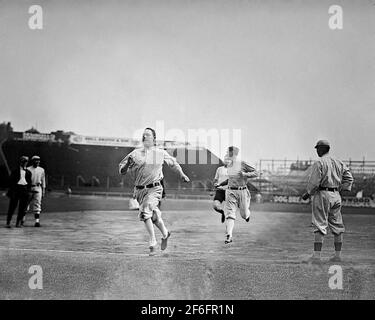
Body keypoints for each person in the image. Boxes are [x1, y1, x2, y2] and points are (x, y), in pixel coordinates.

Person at [119, 128, 190, 256]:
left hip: (155, 188)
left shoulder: (160, 153)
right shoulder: (134, 154)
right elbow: (122, 170)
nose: (145, 136)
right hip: (140, 190)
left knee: (146, 211)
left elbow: (174, 164)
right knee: (154, 216)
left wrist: (182, 175)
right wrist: (126, 165)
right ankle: (165, 233)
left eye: (148, 135)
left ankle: (152, 242)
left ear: (154, 139)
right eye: (143, 135)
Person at [301, 140, 354, 263]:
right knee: (338, 226)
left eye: (317, 149)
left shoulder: (319, 162)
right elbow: (349, 178)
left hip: (322, 194)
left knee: (319, 224)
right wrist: (341, 188)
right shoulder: (339, 162)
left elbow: (314, 183)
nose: (317, 151)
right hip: (336, 194)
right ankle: (338, 256)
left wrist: (308, 193)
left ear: (321, 149)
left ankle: (316, 257)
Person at [217, 146, 258, 244]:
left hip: (242, 191)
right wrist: (220, 185)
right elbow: (230, 179)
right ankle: (229, 235)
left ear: (233, 153)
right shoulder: (229, 165)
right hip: (230, 191)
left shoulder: (242, 163)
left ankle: (247, 214)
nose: (226, 153)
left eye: (228, 152)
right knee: (230, 214)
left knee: (243, 214)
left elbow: (256, 173)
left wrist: (245, 174)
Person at [5, 156, 32, 228]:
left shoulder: (28, 172)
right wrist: (12, 191)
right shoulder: (15, 171)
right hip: (16, 190)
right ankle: (8, 222)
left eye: (26, 161)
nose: (24, 163)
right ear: (20, 162)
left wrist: (28, 191)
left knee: (22, 208)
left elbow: (29, 182)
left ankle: (18, 223)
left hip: (24, 189)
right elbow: (11, 182)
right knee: (12, 207)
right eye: (23, 161)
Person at [26, 155, 46, 227]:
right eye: (36, 160)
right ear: (32, 161)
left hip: (38, 187)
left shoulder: (41, 169)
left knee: (37, 204)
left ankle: (37, 222)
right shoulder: (28, 169)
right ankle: (22, 220)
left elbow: (43, 181)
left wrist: (43, 190)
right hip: (29, 188)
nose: (37, 161)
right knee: (26, 204)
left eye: (38, 160)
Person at [212, 156, 230, 223]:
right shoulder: (219, 169)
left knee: (230, 210)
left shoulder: (233, 170)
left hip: (229, 191)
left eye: (228, 160)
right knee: (215, 206)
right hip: (220, 190)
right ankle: (222, 212)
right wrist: (213, 189)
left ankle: (229, 226)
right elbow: (215, 179)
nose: (226, 161)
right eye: (225, 160)